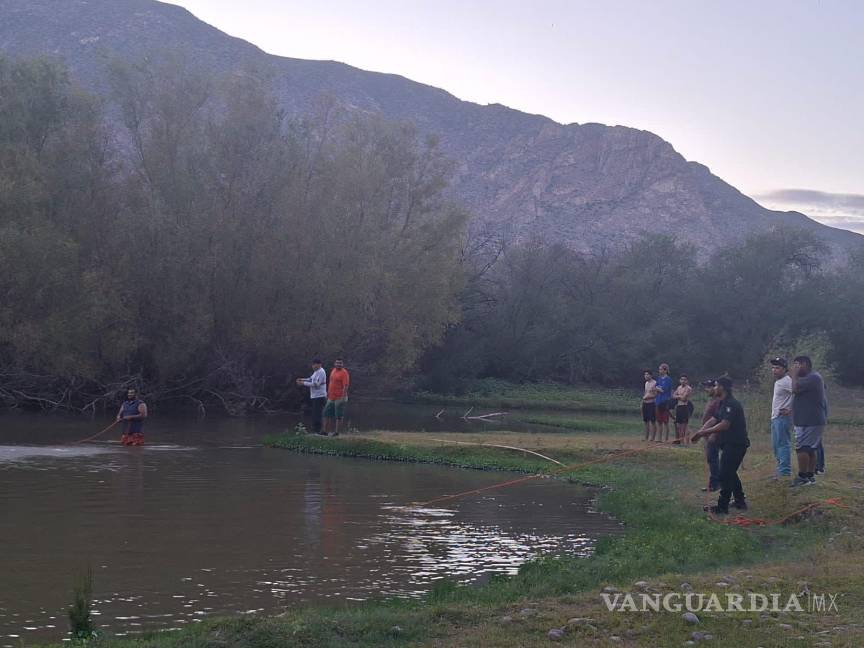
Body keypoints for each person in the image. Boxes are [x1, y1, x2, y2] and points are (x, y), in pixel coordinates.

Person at [691, 377, 749, 514]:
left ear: (722, 387)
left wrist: (703, 433)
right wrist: (700, 432)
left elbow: (724, 425)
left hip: (736, 444)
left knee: (724, 474)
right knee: (730, 473)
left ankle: (722, 507)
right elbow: (714, 419)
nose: (714, 387)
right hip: (729, 444)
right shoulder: (722, 403)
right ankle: (740, 502)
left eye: (716, 385)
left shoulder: (731, 404)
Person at [789, 356, 828, 487]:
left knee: (802, 448)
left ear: (805, 364)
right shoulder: (809, 378)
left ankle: (802, 477)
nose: (794, 367)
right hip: (806, 420)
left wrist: (793, 375)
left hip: (811, 420)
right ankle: (810, 477)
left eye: (797, 364)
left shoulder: (813, 378)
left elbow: (794, 389)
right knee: (810, 449)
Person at [769, 357, 794, 478]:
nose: (774, 370)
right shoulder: (779, 382)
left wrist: (791, 409)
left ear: (784, 369)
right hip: (775, 417)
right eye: (773, 368)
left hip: (782, 418)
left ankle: (785, 472)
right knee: (776, 445)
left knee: (783, 444)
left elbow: (799, 394)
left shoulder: (787, 381)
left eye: (777, 368)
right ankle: (780, 469)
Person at [297, 358, 327, 434]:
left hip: (319, 396)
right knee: (315, 413)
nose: (313, 366)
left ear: (319, 364)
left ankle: (318, 431)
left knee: (317, 414)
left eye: (315, 364)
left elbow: (316, 384)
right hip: (314, 396)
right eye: (313, 364)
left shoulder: (321, 372)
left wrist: (303, 384)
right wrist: (302, 380)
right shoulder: (316, 372)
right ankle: (317, 430)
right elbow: (311, 379)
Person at [322, 358, 350, 437]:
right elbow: (331, 383)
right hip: (331, 397)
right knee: (326, 413)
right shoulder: (333, 370)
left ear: (342, 364)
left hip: (339, 397)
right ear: (335, 363)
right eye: (337, 363)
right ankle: (325, 431)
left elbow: (346, 386)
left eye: (340, 363)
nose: (338, 364)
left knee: (338, 415)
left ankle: (337, 432)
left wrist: (343, 397)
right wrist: (328, 394)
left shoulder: (344, 373)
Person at [654, 363, 673, 442]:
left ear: (665, 370)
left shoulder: (668, 379)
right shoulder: (659, 378)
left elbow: (663, 390)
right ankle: (659, 438)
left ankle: (666, 439)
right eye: (659, 369)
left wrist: (658, 388)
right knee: (659, 421)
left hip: (665, 402)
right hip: (658, 401)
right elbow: (656, 387)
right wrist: (658, 388)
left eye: (661, 369)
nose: (659, 371)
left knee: (665, 421)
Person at [672, 375, 693, 444]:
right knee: (678, 426)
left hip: (685, 407)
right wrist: (680, 396)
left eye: (684, 380)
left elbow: (684, 399)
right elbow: (673, 396)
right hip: (679, 407)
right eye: (682, 379)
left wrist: (678, 396)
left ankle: (684, 441)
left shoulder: (688, 388)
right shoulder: (679, 387)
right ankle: (680, 440)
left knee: (684, 426)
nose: (683, 381)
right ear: (680, 380)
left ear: (687, 381)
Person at [641, 369, 657, 441]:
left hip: (652, 403)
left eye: (647, 374)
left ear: (651, 375)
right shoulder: (646, 383)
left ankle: (652, 438)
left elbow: (656, 395)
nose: (646, 376)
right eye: (645, 374)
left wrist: (648, 397)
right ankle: (646, 437)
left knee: (652, 421)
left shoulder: (655, 383)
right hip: (645, 403)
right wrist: (643, 401)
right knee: (646, 421)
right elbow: (645, 393)